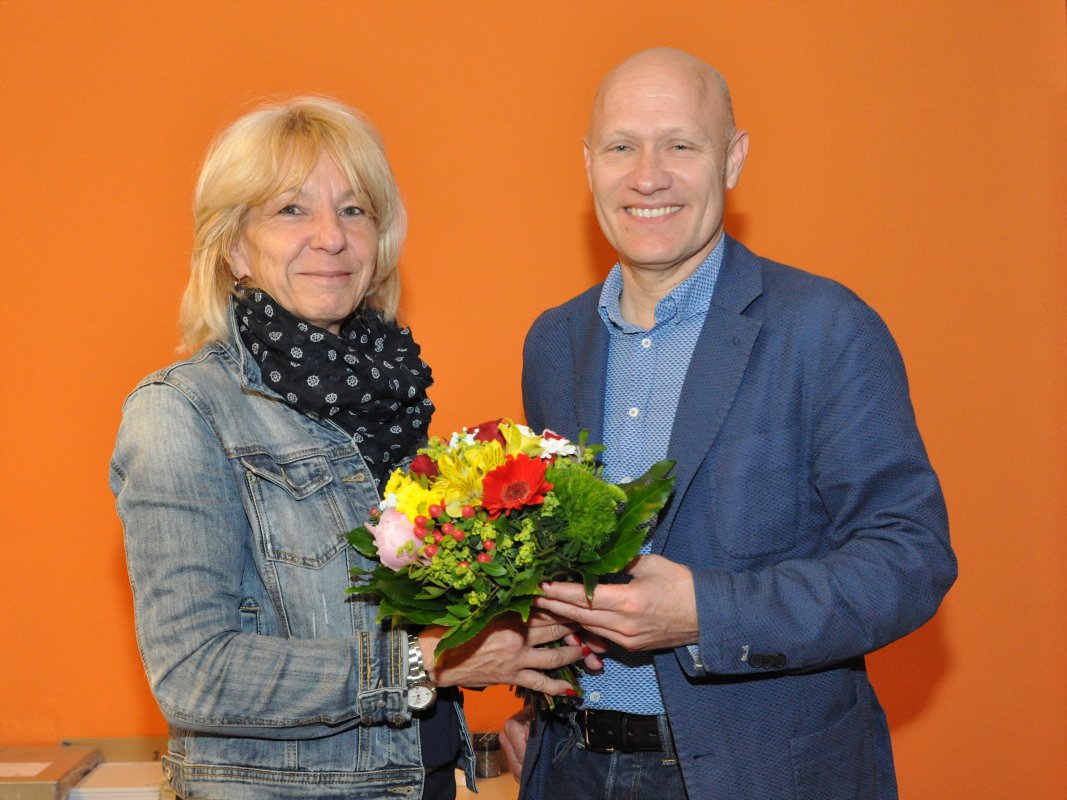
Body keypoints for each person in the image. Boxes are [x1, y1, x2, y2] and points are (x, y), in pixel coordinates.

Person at [507, 48, 957, 799]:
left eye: (680, 145)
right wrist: (537, 692)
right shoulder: (553, 343)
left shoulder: (823, 327)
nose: (647, 175)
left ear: (733, 159)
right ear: (588, 164)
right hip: (571, 770)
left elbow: (908, 561)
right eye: (621, 147)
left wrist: (704, 613)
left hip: (758, 774)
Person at [110, 96, 588, 800]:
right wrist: (424, 665)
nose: (331, 237)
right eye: (291, 210)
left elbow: (388, 621)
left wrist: (504, 630)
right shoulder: (180, 412)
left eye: (355, 209)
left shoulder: (389, 403)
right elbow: (194, 674)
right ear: (235, 246)